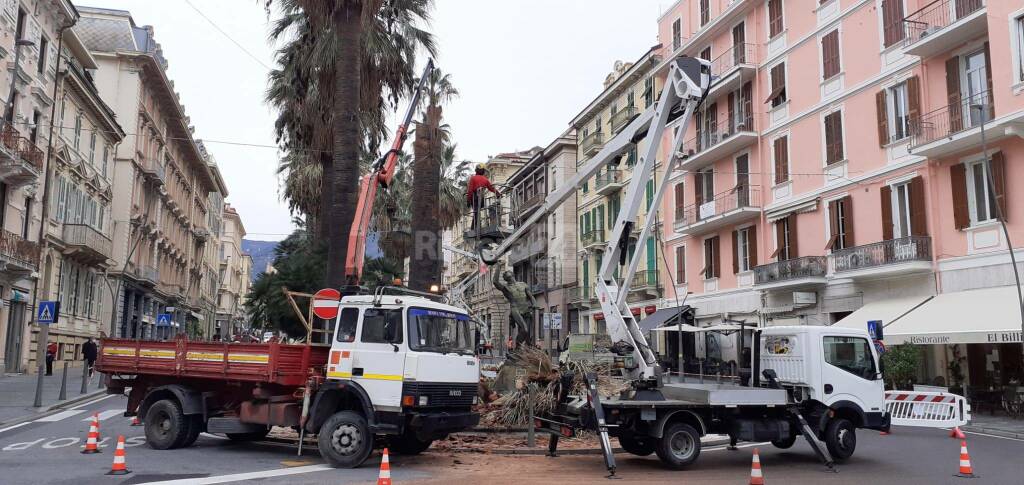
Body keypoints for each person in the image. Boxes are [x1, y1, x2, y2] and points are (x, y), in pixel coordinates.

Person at [466, 164, 500, 230]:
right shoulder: (485, 179)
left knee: (476, 212)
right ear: (483, 171)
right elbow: (491, 188)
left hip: (475, 197)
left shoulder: (473, 178)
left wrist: (468, 200)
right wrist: (498, 194)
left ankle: (474, 227)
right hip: (481, 198)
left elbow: (470, 190)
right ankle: (478, 224)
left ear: (476, 171)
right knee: (478, 212)